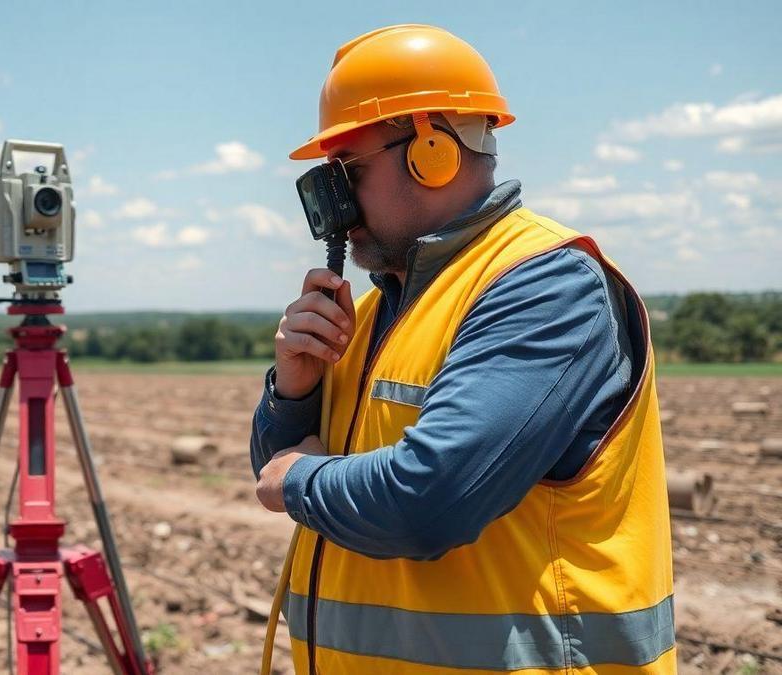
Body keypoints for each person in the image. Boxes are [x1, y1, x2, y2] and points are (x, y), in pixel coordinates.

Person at [251, 25, 675, 673]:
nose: (337, 209)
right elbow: (275, 466)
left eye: (350, 173)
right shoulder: (375, 312)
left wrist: (300, 480)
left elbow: (429, 499)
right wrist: (294, 389)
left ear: (433, 151)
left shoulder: (547, 287)